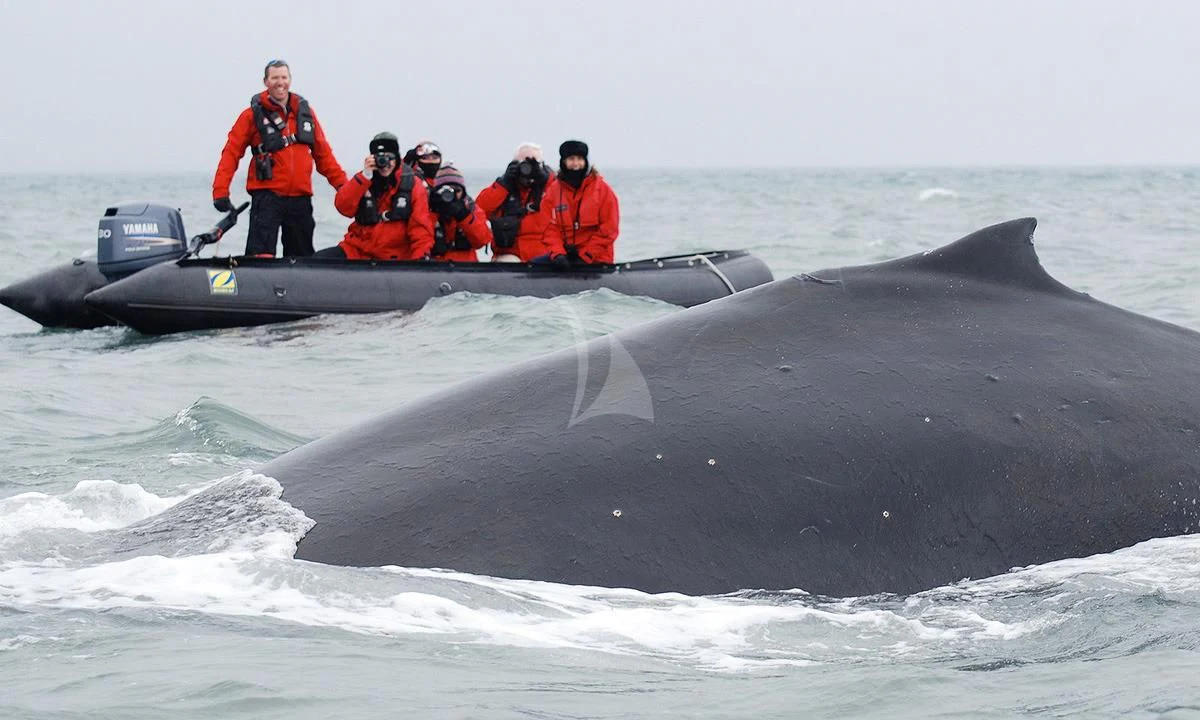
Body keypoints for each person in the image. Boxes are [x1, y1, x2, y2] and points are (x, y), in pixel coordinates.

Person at [212, 59, 347, 257]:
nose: (280, 82)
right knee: (260, 256)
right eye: (275, 78)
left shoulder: (305, 115)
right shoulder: (251, 116)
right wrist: (220, 192)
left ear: (290, 80)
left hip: (300, 198)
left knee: (301, 258)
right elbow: (231, 153)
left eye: (284, 77)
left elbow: (324, 155)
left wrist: (345, 188)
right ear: (266, 81)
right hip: (267, 197)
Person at [316, 133, 435, 260]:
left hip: (394, 255)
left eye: (390, 158)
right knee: (317, 261)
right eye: (380, 158)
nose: (385, 163)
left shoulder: (412, 185)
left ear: (398, 158)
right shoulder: (362, 180)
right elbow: (343, 207)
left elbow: (420, 229)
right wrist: (364, 177)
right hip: (358, 250)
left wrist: (419, 260)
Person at [537, 140, 619, 266]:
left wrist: (587, 255)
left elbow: (609, 229)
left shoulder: (603, 190)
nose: (576, 164)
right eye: (571, 159)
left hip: (596, 259)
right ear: (563, 161)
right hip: (565, 258)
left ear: (586, 161)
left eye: (580, 159)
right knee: (534, 265)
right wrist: (557, 253)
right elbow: (548, 228)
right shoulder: (553, 191)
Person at [475, 142, 556, 262]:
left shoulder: (553, 187)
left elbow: (566, 204)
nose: (527, 169)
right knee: (508, 262)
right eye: (523, 164)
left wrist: (546, 181)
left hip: (544, 256)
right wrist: (503, 184)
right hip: (511, 255)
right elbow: (479, 211)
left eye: (533, 164)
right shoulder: (504, 188)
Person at [427, 165, 491, 262]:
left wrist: (463, 216)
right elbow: (419, 236)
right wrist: (433, 210)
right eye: (447, 191)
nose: (452, 195)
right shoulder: (428, 208)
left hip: (465, 265)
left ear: (463, 191)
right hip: (436, 264)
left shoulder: (471, 208)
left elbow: (482, 240)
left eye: (457, 190)